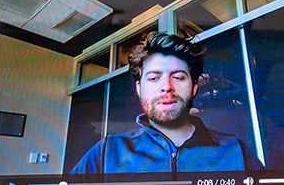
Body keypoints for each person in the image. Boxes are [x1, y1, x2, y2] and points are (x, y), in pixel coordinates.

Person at [71, 30, 260, 175]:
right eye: (154, 78)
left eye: (178, 77)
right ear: (139, 88)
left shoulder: (236, 150)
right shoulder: (107, 153)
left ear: (194, 87)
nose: (166, 87)